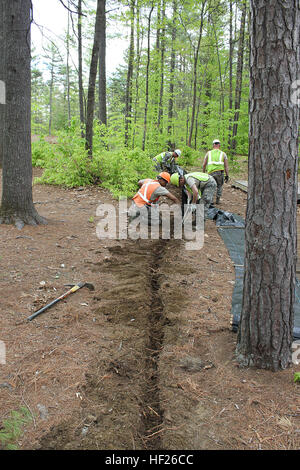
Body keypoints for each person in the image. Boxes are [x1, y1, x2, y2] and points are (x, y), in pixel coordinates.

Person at [202, 139, 229, 204]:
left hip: (210, 173)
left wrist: (203, 173)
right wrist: (227, 175)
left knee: (211, 186)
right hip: (220, 173)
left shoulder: (208, 153)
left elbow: (204, 164)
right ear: (219, 145)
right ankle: (218, 200)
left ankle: (210, 201)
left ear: (213, 145)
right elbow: (226, 166)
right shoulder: (223, 154)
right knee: (219, 186)